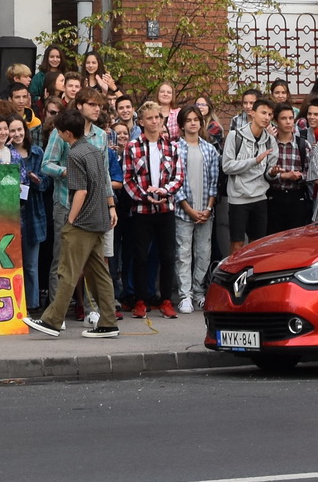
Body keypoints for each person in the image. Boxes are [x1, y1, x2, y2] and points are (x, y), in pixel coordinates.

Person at [24, 110, 120, 338]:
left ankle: (52, 321)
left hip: (82, 221)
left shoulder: (75, 155)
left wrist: (70, 219)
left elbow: (81, 191)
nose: (57, 134)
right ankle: (108, 322)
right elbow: (104, 180)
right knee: (99, 273)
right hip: (99, 219)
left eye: (59, 131)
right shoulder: (94, 150)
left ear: (67, 133)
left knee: (67, 271)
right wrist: (109, 206)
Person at [119, 102, 183, 318]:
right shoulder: (132, 147)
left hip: (166, 208)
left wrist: (164, 191)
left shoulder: (172, 147)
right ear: (141, 122)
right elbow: (128, 179)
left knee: (167, 256)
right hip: (141, 210)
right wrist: (145, 196)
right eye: (150, 118)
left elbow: (178, 177)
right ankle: (140, 300)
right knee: (140, 256)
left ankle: (166, 300)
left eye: (157, 117)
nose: (154, 121)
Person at [173, 105, 220, 316]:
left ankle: (199, 292)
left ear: (201, 122)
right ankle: (185, 295)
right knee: (183, 254)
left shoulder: (210, 150)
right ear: (182, 125)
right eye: (188, 120)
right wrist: (189, 209)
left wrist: (208, 208)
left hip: (205, 211)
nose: (193, 123)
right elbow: (175, 183)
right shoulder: (175, 148)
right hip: (183, 211)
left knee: (203, 253)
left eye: (196, 119)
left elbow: (214, 182)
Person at [221, 98, 273, 249]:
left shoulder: (270, 140)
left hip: (260, 197)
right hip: (239, 198)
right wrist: (254, 161)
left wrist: (274, 173)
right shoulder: (235, 136)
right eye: (263, 113)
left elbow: (268, 172)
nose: (266, 117)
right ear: (253, 113)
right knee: (237, 244)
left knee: (257, 246)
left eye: (270, 114)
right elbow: (227, 166)